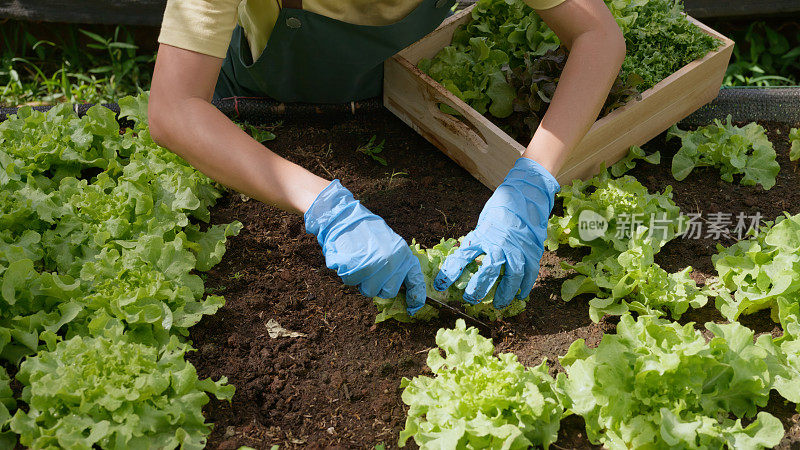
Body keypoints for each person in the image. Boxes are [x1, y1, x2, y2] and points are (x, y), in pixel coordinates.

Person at [149, 0, 626, 315]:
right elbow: (174, 107)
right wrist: (324, 205)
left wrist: (532, 179)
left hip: (400, 110)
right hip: (264, 115)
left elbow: (597, 34)